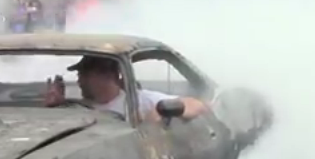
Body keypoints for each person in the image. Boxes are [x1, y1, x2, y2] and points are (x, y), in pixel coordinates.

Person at [45, 56, 208, 122]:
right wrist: (54, 107)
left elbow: (196, 105)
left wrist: (157, 113)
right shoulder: (77, 107)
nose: (79, 81)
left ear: (107, 76)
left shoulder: (140, 100)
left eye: (84, 75)